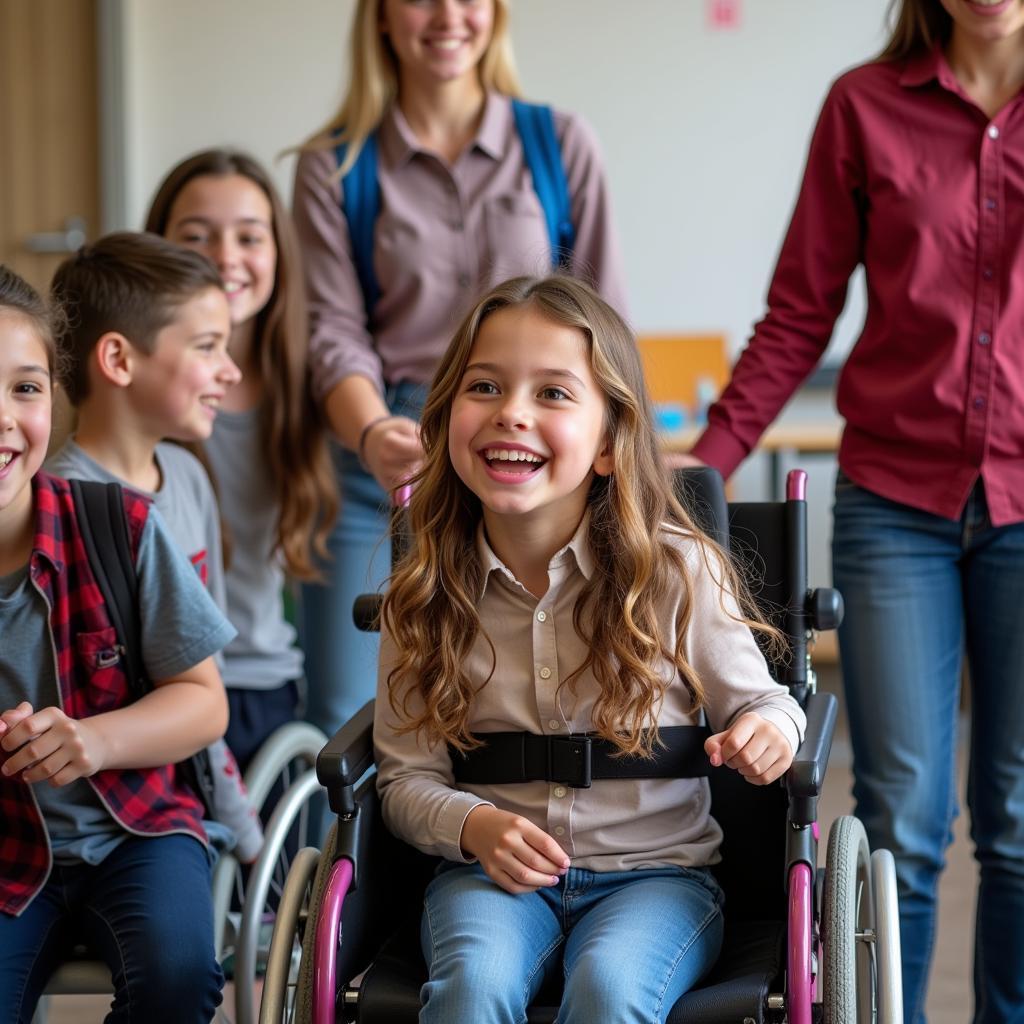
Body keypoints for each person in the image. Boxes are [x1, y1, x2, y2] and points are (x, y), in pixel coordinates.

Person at [684, 3, 1024, 1020]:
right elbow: (798, 312)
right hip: (893, 503)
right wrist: (698, 476)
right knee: (900, 819)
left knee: (1016, 819)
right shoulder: (864, 107)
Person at [373, 276, 806, 1023]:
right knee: (472, 987)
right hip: (489, 881)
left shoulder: (673, 571)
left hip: (657, 880)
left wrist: (771, 731)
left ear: (609, 443)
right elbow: (405, 781)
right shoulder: (423, 593)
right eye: (485, 386)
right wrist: (472, 827)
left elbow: (766, 700)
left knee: (609, 989)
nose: (511, 413)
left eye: (552, 394)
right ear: (446, 420)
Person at [292, 0, 628, 740]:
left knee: (523, 698)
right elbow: (335, 334)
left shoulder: (559, 143)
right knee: (345, 714)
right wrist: (374, 431)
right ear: (380, 17)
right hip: (385, 448)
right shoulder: (337, 166)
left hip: (530, 451)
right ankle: (347, 860)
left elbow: (605, 325)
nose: (448, 15)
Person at [0, 264, 234, 1022]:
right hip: (7, 849)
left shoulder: (117, 524)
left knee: (178, 975)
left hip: (139, 831)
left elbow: (204, 704)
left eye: (25, 388)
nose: (5, 418)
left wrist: (94, 741)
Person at [45, 232, 263, 863]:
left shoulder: (189, 478)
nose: (232, 370)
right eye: (207, 347)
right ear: (118, 359)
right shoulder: (54, 505)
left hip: (180, 798)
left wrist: (246, 839)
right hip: (81, 815)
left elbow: (204, 682)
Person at [144, 150, 338, 772]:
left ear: (279, 253)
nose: (225, 257)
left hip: (265, 687)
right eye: (196, 237)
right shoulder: (136, 394)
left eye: (249, 237)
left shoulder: (312, 386)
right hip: (152, 691)